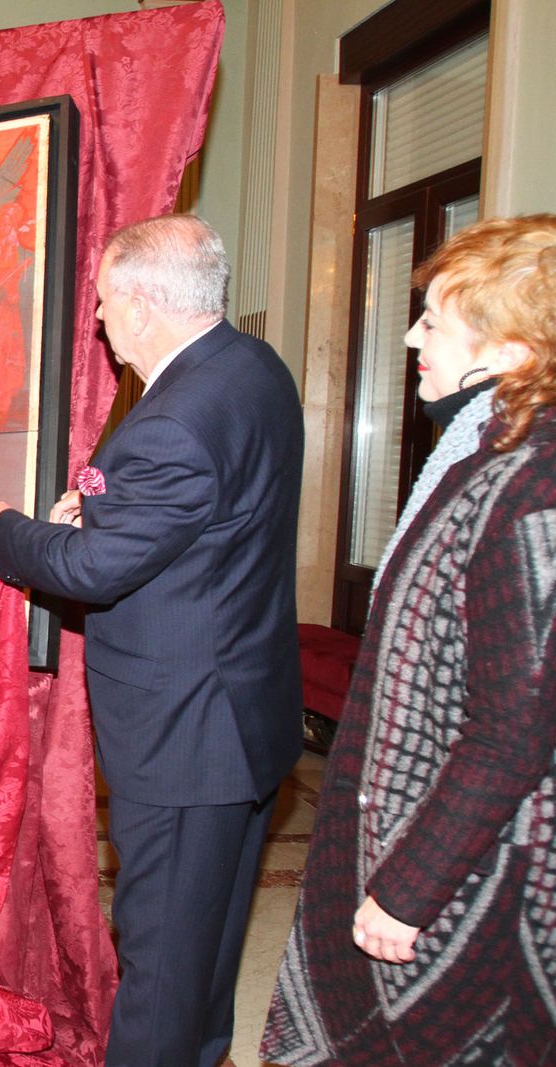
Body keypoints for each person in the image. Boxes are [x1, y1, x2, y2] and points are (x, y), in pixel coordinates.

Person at [0, 214, 304, 1066]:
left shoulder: (170, 422)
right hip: (246, 707)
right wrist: (110, 511)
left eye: (108, 302)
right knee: (211, 938)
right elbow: (206, 517)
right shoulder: (253, 367)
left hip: (187, 735)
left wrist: (3, 528)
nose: (100, 320)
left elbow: (92, 573)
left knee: (158, 957)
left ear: (147, 307)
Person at [261, 215, 556, 1064]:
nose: (409, 336)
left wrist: (409, 886)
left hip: (489, 875)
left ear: (509, 349)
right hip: (424, 835)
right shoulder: (492, 459)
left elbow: (515, 726)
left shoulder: (533, 487)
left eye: (433, 319)